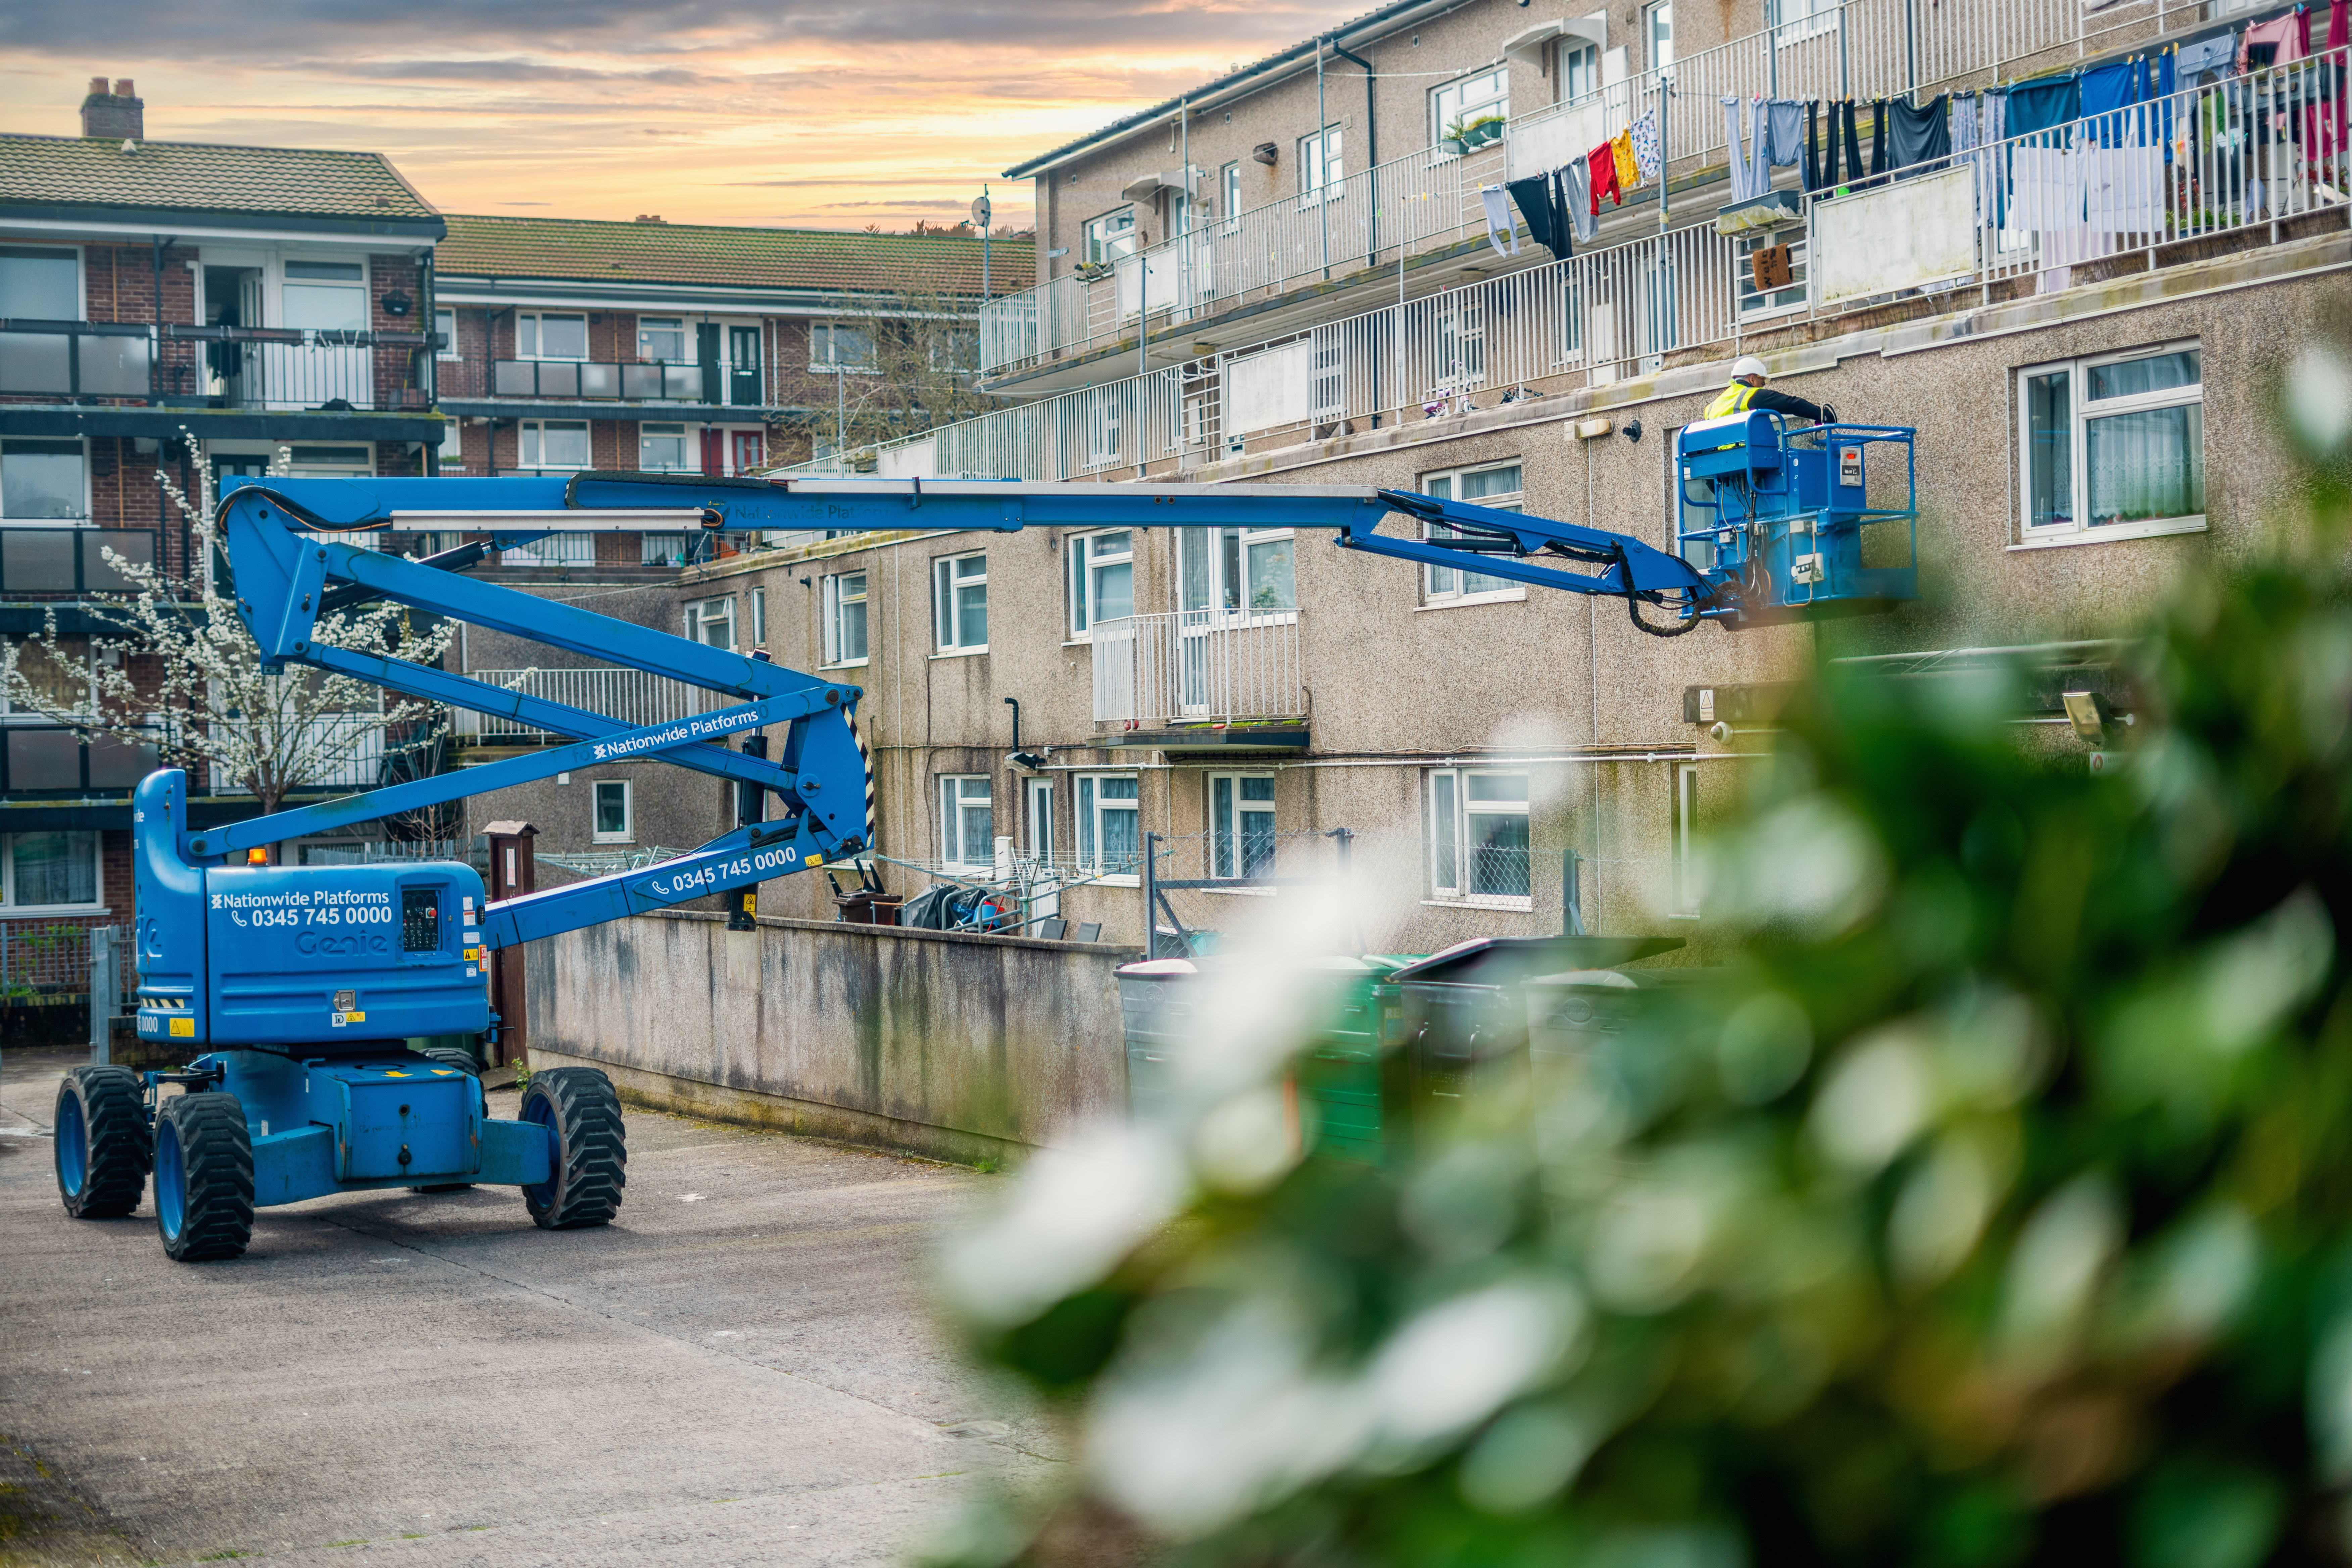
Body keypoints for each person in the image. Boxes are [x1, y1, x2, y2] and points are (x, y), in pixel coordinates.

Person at [1704, 355, 1837, 423]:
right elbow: (1790, 404)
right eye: (1762, 383)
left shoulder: (1711, 407)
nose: (1762, 387)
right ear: (1752, 379)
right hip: (1747, 454)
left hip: (1720, 462)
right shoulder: (1752, 396)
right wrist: (1822, 415)